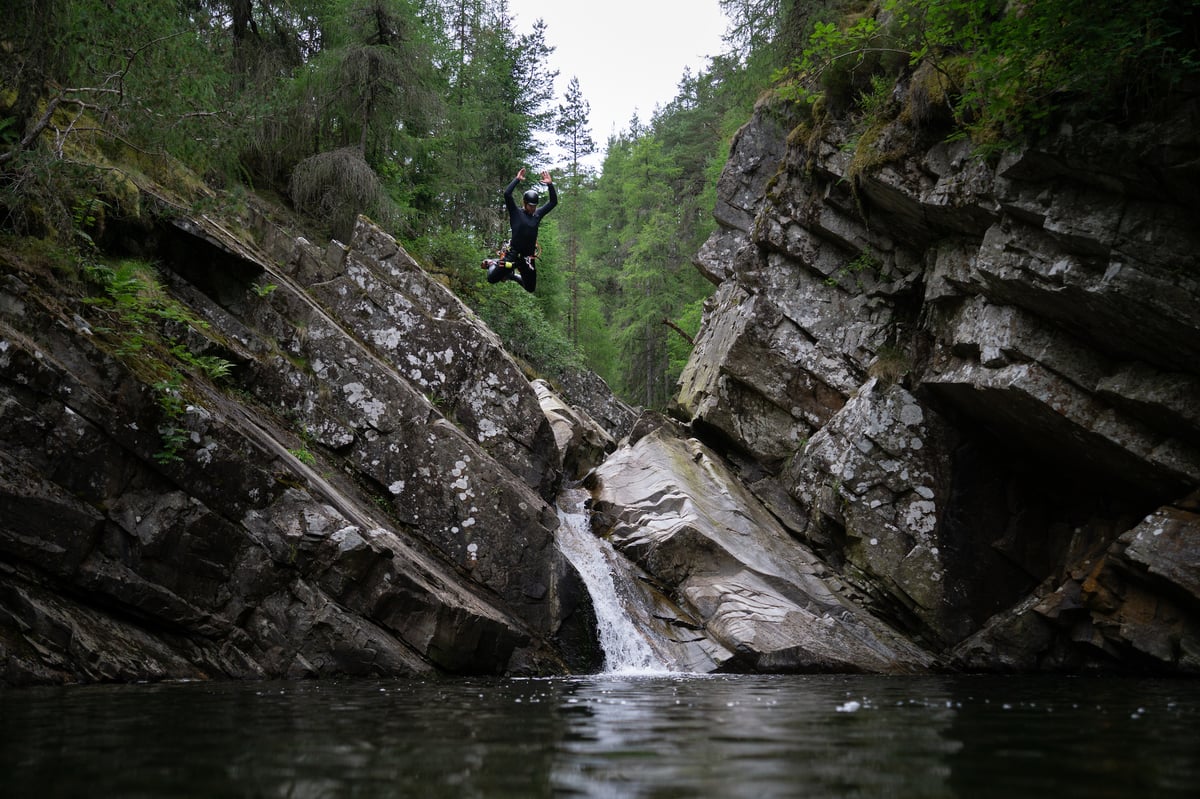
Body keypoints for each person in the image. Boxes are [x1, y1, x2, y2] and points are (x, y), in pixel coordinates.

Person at [482, 168, 556, 293]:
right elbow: (507, 194)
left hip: (527, 258)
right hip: (513, 255)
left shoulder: (537, 215)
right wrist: (517, 179)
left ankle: (513, 276)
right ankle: (491, 263)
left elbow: (553, 202)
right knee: (491, 278)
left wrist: (550, 184)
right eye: (530, 206)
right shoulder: (516, 213)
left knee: (530, 288)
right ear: (525, 203)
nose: (533, 208)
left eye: (534, 206)